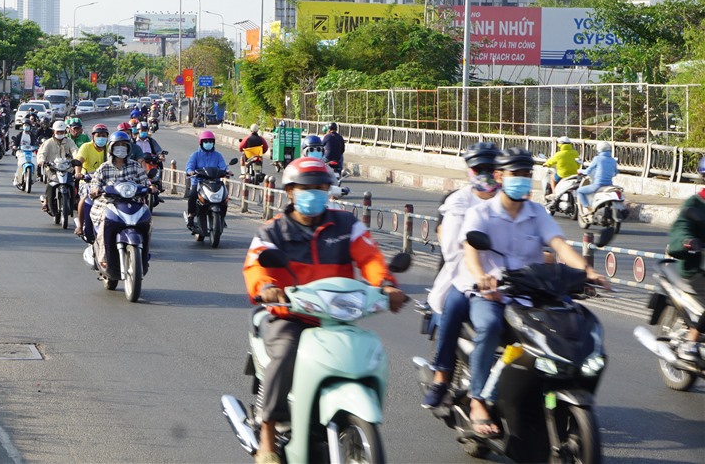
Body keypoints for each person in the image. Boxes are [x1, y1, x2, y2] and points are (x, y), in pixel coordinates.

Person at [243, 157, 406, 463]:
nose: (315, 193)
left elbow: (369, 257)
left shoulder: (346, 225)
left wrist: (385, 284)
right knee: (287, 352)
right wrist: (267, 288)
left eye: (321, 187)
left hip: (338, 316)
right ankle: (267, 436)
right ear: (290, 191)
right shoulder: (273, 231)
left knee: (365, 349)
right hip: (290, 316)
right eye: (307, 188)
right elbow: (255, 265)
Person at [456, 147, 608, 437]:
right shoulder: (481, 212)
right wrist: (482, 278)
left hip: (534, 291)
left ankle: (552, 388)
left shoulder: (536, 212)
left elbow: (560, 246)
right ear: (500, 175)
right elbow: (471, 252)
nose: (523, 180)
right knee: (488, 326)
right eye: (517, 174)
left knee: (570, 321)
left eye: (527, 174)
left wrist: (586, 272)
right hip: (492, 292)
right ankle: (478, 400)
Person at [421, 142, 501, 408]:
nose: (486, 173)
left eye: (492, 168)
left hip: (509, 282)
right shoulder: (458, 201)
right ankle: (441, 377)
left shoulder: (513, 202)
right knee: (453, 310)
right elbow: (452, 245)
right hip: (466, 277)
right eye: (480, 168)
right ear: (470, 170)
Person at [87, 132, 157, 277]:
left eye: (123, 146)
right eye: (117, 145)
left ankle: (144, 254)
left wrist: (150, 187)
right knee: (104, 224)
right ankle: (103, 257)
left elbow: (144, 181)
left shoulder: (135, 166)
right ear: (111, 148)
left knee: (147, 222)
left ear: (129, 148)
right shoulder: (104, 167)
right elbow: (95, 183)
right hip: (108, 204)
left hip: (133, 203)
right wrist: (95, 189)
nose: (120, 149)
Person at [665, 156, 705, 361]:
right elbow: (681, 229)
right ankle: (692, 339)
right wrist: (689, 241)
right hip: (697, 267)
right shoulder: (695, 204)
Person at [184, 131, 228, 232]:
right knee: (192, 195)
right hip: (199, 183)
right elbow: (189, 166)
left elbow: (223, 166)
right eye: (206, 141)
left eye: (210, 141)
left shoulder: (218, 155)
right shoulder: (195, 155)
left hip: (215, 182)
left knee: (224, 198)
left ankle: (222, 217)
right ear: (201, 143)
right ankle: (191, 215)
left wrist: (227, 171)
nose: (208, 143)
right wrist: (190, 172)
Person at [74, 124, 110, 236]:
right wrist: (78, 173)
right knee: (85, 198)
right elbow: (79, 160)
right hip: (87, 180)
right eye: (98, 135)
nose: (101, 138)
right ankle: (80, 225)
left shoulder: (109, 148)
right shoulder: (86, 147)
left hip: (106, 181)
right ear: (93, 136)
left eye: (103, 135)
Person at [38, 120, 79, 212]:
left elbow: (75, 150)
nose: (60, 133)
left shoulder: (70, 141)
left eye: (62, 131)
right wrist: (42, 160)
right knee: (50, 184)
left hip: (67, 168)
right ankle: (46, 201)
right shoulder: (48, 142)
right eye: (58, 131)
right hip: (52, 169)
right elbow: (42, 153)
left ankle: (75, 200)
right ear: (54, 131)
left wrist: (77, 159)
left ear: (65, 131)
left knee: (75, 182)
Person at [576, 141, 618, 214]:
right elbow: (615, 173)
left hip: (598, 185)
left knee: (579, 191)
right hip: (609, 185)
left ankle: (588, 208)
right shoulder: (613, 160)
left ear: (599, 149)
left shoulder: (597, 158)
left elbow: (588, 171)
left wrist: (580, 171)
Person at [11, 123, 41, 188]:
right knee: (19, 164)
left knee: (35, 163)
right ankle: (17, 179)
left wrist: (38, 146)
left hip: (30, 152)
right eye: (25, 125)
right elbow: (15, 141)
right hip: (21, 151)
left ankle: (34, 177)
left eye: (27, 125)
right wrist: (14, 146)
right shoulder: (20, 134)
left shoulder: (32, 135)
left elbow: (35, 142)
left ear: (30, 127)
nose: (26, 127)